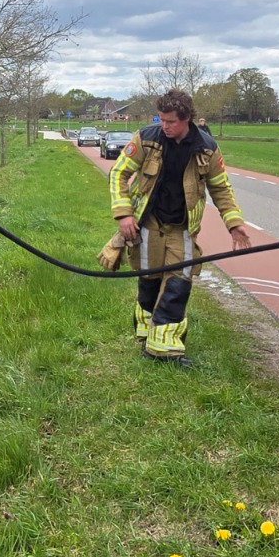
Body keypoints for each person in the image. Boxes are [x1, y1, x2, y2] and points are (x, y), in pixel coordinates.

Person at [109, 90, 250, 366]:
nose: (164, 126)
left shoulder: (207, 148)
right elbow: (119, 173)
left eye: (170, 121)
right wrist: (124, 215)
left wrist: (234, 224)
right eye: (161, 119)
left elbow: (221, 188)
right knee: (149, 281)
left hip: (183, 230)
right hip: (148, 224)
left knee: (178, 284)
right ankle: (147, 338)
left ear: (186, 119)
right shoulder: (146, 138)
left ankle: (165, 350)